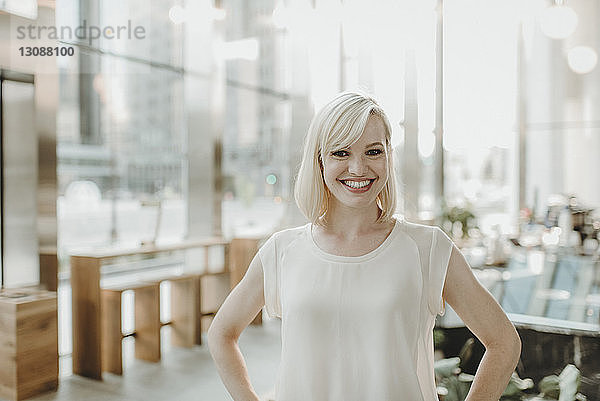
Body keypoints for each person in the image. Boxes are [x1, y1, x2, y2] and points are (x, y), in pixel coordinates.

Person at [208, 91, 521, 401]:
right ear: (319, 160)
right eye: (341, 153)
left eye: (373, 152)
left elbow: (504, 342)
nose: (358, 168)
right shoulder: (282, 251)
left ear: (388, 157)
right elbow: (222, 334)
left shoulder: (428, 248)